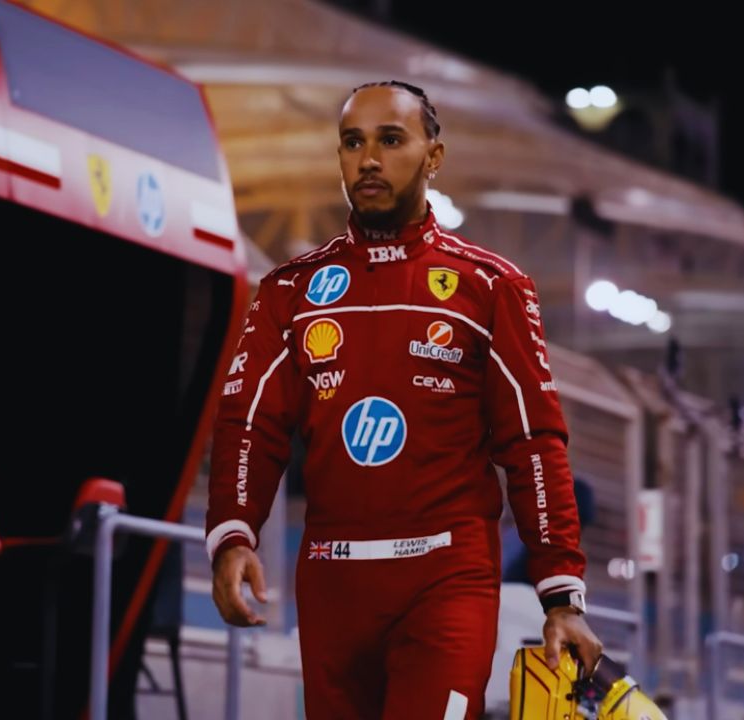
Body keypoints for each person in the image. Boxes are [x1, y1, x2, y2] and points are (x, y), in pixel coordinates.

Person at [205, 80, 602, 719]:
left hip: (448, 580)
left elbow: (532, 442)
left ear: (433, 156)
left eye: (391, 140)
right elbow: (249, 424)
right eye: (352, 143)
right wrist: (233, 534)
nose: (368, 160)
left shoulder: (491, 286)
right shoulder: (289, 291)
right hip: (332, 580)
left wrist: (562, 595)